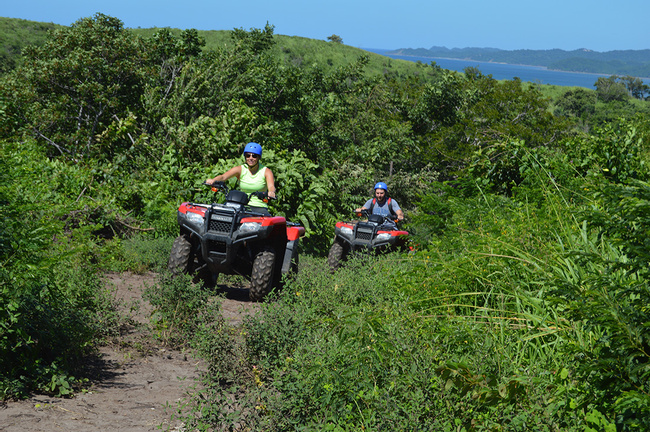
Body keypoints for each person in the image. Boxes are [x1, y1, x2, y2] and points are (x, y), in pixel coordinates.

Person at [206, 142, 276, 215]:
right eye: (248, 155)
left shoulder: (266, 171)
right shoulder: (241, 169)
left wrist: (271, 192)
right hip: (241, 204)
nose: (250, 158)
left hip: (258, 206)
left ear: (259, 157)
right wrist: (213, 180)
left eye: (254, 156)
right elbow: (223, 177)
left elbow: (271, 186)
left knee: (264, 222)